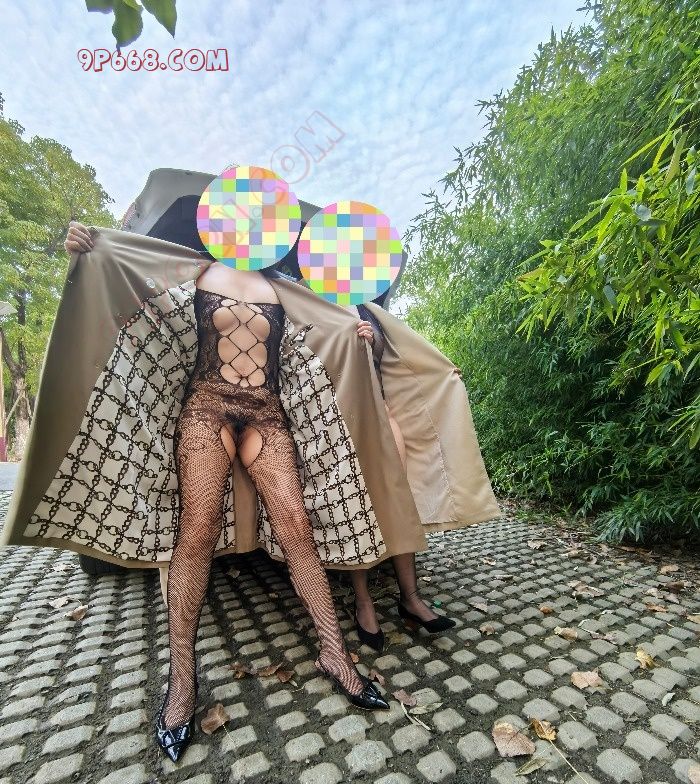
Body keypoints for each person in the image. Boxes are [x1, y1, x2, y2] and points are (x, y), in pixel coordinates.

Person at [64, 221, 389, 765]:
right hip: (206, 407)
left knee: (297, 528)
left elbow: (334, 322)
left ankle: (334, 653)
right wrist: (90, 247)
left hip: (267, 412)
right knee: (197, 531)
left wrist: (365, 337)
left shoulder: (285, 287)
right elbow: (129, 278)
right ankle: (182, 680)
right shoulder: (192, 272)